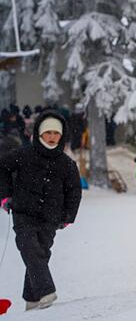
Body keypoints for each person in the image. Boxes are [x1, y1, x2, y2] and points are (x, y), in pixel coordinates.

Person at [0, 110, 82, 311]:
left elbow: (74, 191)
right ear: (39, 134)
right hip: (23, 213)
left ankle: (32, 299)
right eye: (48, 133)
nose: (52, 137)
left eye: (56, 133)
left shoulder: (67, 164)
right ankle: (46, 291)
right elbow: (1, 168)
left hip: (50, 218)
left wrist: (68, 216)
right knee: (29, 248)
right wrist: (5, 195)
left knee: (41, 253)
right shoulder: (23, 155)